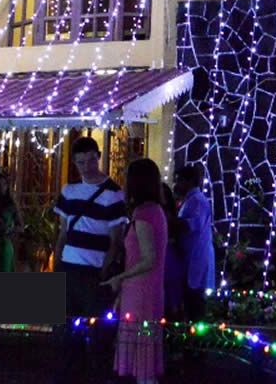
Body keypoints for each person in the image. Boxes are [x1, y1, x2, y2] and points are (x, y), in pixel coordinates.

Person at [53, 136, 126, 380]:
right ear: (75, 163)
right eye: (81, 162)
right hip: (68, 267)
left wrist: (104, 272)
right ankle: (68, 375)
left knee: (98, 335)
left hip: (93, 272)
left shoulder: (114, 194)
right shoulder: (69, 190)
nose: (87, 166)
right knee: (65, 331)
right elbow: (63, 230)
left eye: (91, 160)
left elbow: (116, 239)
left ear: (99, 156)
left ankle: (95, 376)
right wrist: (57, 263)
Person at [103, 158, 168, 384]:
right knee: (144, 355)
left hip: (141, 292)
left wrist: (119, 278)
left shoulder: (143, 214)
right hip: (146, 290)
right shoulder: (156, 211)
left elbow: (149, 259)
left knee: (142, 357)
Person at [174, 163, 215, 322]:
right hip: (190, 261)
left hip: (196, 262)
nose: (176, 185)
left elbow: (190, 225)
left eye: (179, 181)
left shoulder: (197, 201)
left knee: (195, 308)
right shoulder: (190, 200)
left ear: (189, 181)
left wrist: (166, 221)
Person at [161, 183, 186, 322]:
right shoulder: (170, 215)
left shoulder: (163, 215)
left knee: (170, 294)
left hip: (168, 259)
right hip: (171, 259)